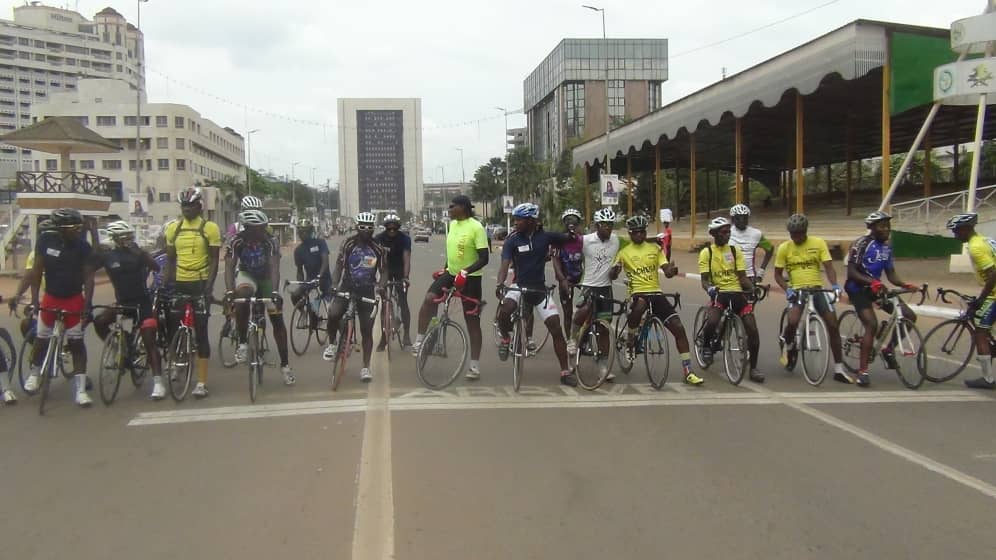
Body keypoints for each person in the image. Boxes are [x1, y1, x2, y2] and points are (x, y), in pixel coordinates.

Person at [10, 208, 94, 406]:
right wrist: (35, 300)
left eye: (79, 227)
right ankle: (35, 374)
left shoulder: (83, 247)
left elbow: (89, 277)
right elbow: (36, 272)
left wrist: (87, 304)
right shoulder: (45, 241)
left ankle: (80, 390)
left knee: (77, 345)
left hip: (73, 298)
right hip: (51, 298)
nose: (78, 230)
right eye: (74, 227)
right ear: (61, 229)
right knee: (40, 339)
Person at [611, 214, 704, 386]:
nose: (639, 235)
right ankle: (631, 340)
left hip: (656, 293)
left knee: (679, 328)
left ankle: (688, 370)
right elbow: (614, 272)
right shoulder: (623, 253)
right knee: (638, 308)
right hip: (637, 293)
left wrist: (672, 270)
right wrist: (615, 271)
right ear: (630, 234)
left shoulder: (655, 249)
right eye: (635, 232)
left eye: (642, 232)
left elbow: (666, 271)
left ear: (645, 233)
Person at [496, 203, 576, 386]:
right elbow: (504, 265)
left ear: (531, 221)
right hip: (519, 286)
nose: (515, 223)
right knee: (504, 310)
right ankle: (506, 338)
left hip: (539, 290)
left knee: (556, 328)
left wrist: (571, 234)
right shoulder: (512, 240)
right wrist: (500, 284)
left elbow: (570, 239)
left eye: (519, 220)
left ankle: (565, 371)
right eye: (514, 219)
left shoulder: (546, 237)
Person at [87, 221, 166, 399]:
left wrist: (142, 254)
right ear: (114, 239)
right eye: (123, 238)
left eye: (129, 237)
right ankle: (116, 347)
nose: (127, 240)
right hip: (122, 303)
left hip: (142, 304)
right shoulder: (108, 256)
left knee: (149, 341)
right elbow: (89, 268)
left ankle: (158, 383)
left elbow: (156, 267)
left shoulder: (138, 253)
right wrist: (93, 237)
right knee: (100, 321)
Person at [414, 195, 489, 378]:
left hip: (470, 277)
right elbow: (455, 252)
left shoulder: (476, 227)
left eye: (452, 206)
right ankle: (420, 340)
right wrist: (446, 268)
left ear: (462, 207)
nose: (449, 209)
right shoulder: (453, 225)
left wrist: (466, 271)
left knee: (472, 320)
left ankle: (474, 366)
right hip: (451, 273)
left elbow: (484, 258)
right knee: (429, 299)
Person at [844, 211, 919, 386]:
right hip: (857, 288)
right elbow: (852, 272)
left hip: (876, 287)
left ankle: (889, 349)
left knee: (909, 315)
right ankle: (863, 372)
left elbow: (890, 273)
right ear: (871, 227)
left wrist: (905, 285)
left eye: (888, 225)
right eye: (881, 226)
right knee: (871, 324)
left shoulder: (887, 246)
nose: (886, 229)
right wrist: (871, 282)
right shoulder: (861, 244)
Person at [774, 213, 850, 384]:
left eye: (799, 233)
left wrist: (835, 285)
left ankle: (839, 368)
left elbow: (829, 267)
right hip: (797, 290)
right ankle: (789, 343)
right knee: (793, 321)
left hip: (817, 289)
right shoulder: (784, 248)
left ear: (805, 231)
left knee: (832, 324)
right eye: (793, 234)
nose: (796, 237)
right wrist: (787, 290)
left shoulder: (818, 243)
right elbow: (777, 275)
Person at [163, 187, 222, 399]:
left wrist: (209, 286)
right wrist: (164, 283)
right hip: (180, 283)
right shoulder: (173, 229)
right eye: (184, 206)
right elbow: (170, 260)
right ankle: (176, 362)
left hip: (200, 283)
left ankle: (202, 382)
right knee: (172, 325)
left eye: (191, 205)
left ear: (200, 206)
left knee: (201, 331)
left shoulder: (210, 228)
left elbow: (215, 259)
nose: (187, 209)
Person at [226, 209, 294, 386]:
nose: (263, 231)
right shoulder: (236, 241)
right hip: (247, 275)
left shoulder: (270, 242)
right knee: (242, 297)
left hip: (266, 278)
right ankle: (242, 343)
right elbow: (229, 266)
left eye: (264, 228)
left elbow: (274, 268)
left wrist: (274, 292)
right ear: (248, 228)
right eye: (258, 228)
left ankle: (285, 366)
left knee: (277, 320)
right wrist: (229, 291)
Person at [698, 217, 763, 383]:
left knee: (753, 330)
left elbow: (742, 277)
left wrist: (753, 288)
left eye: (729, 231)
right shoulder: (707, 253)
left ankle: (753, 368)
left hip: (737, 294)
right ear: (714, 234)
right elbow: (704, 280)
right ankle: (706, 346)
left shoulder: (735, 251)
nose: (727, 235)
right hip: (719, 294)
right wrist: (710, 288)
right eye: (723, 232)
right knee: (712, 321)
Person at [324, 212, 386, 382]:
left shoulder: (378, 248)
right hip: (347, 286)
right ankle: (332, 343)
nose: (366, 231)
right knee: (334, 313)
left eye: (369, 228)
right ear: (357, 227)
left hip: (366, 290)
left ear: (373, 229)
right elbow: (338, 266)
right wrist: (334, 284)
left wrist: (381, 286)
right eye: (362, 227)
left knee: (367, 330)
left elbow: (384, 271)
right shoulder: (348, 243)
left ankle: (366, 367)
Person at [568, 207, 622, 382]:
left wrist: (656, 241)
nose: (608, 228)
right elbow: (567, 247)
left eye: (610, 225)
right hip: (588, 286)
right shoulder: (585, 240)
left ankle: (603, 366)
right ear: (597, 225)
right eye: (604, 225)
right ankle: (573, 340)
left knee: (604, 328)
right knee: (582, 312)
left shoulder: (616, 240)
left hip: (605, 288)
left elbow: (636, 242)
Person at [946, 213, 996, 389]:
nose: (955, 235)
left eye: (957, 231)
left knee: (980, 333)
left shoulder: (975, 247)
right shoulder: (985, 240)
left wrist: (981, 299)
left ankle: (988, 379)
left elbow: (993, 274)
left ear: (966, 229)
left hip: (994, 295)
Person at [373, 213, 412, 350]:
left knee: (403, 301)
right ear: (385, 228)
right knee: (384, 305)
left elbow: (406, 258)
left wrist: (406, 277)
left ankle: (407, 335)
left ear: (398, 228)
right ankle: (384, 339)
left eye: (394, 228)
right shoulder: (378, 239)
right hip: (385, 270)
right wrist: (373, 277)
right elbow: (374, 259)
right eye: (389, 229)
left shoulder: (404, 239)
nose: (392, 231)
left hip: (400, 270)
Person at [553, 208, 584, 340]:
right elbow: (556, 262)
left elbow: (588, 260)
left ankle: (584, 338)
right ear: (564, 223)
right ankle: (570, 340)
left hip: (581, 279)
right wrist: (562, 280)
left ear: (578, 223)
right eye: (568, 220)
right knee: (568, 312)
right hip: (565, 279)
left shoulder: (583, 240)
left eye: (574, 221)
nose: (571, 223)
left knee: (588, 309)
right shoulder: (558, 241)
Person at [291, 217, 331, 318]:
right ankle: (304, 313)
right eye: (301, 232)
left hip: (325, 280)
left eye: (306, 231)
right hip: (310, 281)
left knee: (333, 312)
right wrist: (301, 284)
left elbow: (325, 261)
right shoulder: (298, 250)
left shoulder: (320, 242)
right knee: (295, 296)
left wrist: (319, 276)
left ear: (310, 231)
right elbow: (299, 271)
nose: (303, 234)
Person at [728, 204, 774, 282]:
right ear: (732, 219)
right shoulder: (727, 232)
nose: (741, 220)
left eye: (744, 217)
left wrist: (761, 272)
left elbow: (770, 248)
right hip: (729, 275)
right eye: (738, 218)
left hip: (749, 276)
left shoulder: (756, 234)